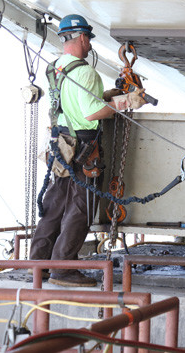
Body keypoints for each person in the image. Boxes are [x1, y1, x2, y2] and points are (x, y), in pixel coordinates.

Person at [29, 14, 141, 287]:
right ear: (81, 37)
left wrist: (109, 94)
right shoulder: (86, 72)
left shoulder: (56, 68)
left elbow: (75, 103)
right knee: (80, 209)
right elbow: (91, 114)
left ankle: (38, 265)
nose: (90, 43)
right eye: (88, 38)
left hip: (61, 146)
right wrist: (127, 102)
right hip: (84, 148)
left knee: (55, 207)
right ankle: (63, 269)